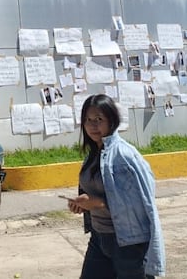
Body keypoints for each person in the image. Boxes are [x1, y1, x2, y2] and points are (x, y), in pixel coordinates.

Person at [67, 94, 165, 278]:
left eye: (99, 119)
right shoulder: (94, 154)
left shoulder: (124, 156)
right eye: (88, 120)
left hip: (129, 242)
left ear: (112, 120)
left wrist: (97, 203)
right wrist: (81, 205)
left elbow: (140, 204)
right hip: (99, 236)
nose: (93, 125)